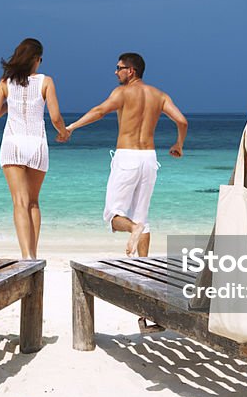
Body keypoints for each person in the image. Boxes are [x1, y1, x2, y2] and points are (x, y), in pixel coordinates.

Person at [59, 52, 187, 257]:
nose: (116, 72)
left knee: (113, 215)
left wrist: (72, 127)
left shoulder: (123, 92)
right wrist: (179, 145)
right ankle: (144, 267)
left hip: (128, 157)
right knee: (142, 217)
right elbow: (182, 121)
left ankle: (132, 229)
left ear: (131, 71)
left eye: (119, 68)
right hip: (149, 160)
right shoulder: (160, 96)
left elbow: (100, 111)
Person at [0, 38, 68, 259]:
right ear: (36, 59)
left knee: (19, 202)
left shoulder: (6, 82)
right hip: (37, 144)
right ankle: (34, 254)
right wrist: (63, 132)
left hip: (12, 144)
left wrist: (10, 104)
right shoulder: (46, 82)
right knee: (33, 202)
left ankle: (27, 257)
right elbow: (55, 117)